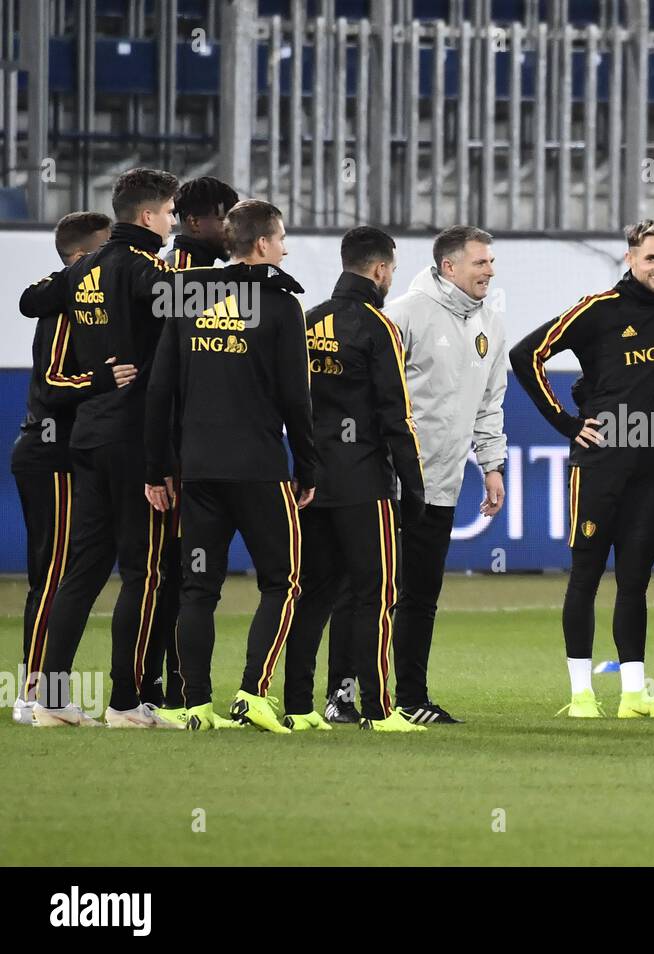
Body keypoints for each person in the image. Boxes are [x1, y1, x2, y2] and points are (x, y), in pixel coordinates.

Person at [510, 220, 654, 720]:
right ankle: (581, 696)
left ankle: (633, 695)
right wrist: (566, 422)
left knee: (636, 581)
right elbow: (526, 353)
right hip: (599, 465)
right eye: (651, 258)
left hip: (650, 463)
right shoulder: (598, 310)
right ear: (630, 259)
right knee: (586, 576)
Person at [143, 199, 318, 732]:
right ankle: (252, 693)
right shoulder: (283, 304)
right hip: (260, 470)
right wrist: (307, 467)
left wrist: (157, 468)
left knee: (197, 588)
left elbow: (160, 390)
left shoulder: (189, 295)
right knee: (283, 580)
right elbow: (297, 397)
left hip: (198, 473)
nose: (286, 248)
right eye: (282, 238)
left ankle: (196, 705)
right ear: (263, 244)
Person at [29, 168, 179, 729]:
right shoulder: (149, 271)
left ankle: (51, 701)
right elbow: (181, 346)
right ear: (147, 217)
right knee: (144, 572)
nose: (172, 221)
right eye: (168, 212)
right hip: (135, 440)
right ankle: (125, 702)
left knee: (83, 571)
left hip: (87, 437)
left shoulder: (83, 268)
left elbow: (29, 302)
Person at [280, 227, 427, 732]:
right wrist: (414, 485)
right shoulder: (377, 326)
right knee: (377, 595)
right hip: (365, 483)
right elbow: (397, 415)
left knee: (312, 595)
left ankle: (298, 708)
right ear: (381, 270)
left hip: (313, 481)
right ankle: (380, 709)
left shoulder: (307, 319)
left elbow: (289, 403)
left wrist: (304, 467)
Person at [384, 224, 508, 726]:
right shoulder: (405, 314)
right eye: (480, 262)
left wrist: (492, 464)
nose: (490, 270)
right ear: (449, 267)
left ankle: (412, 699)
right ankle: (343, 694)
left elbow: (489, 402)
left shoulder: (491, 322)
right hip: (389, 483)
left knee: (421, 596)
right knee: (366, 592)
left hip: (442, 486)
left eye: (491, 262)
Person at [10, 212, 111, 724]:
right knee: (52, 575)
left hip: (62, 453)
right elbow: (51, 383)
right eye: (106, 249)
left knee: (59, 572)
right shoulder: (63, 309)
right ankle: (34, 694)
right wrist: (104, 378)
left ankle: (40, 691)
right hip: (51, 455)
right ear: (82, 257)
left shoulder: (83, 307)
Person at [168, 176, 239, 269]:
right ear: (195, 223)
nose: (233, 229)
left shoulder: (192, 267)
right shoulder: (180, 272)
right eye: (224, 220)